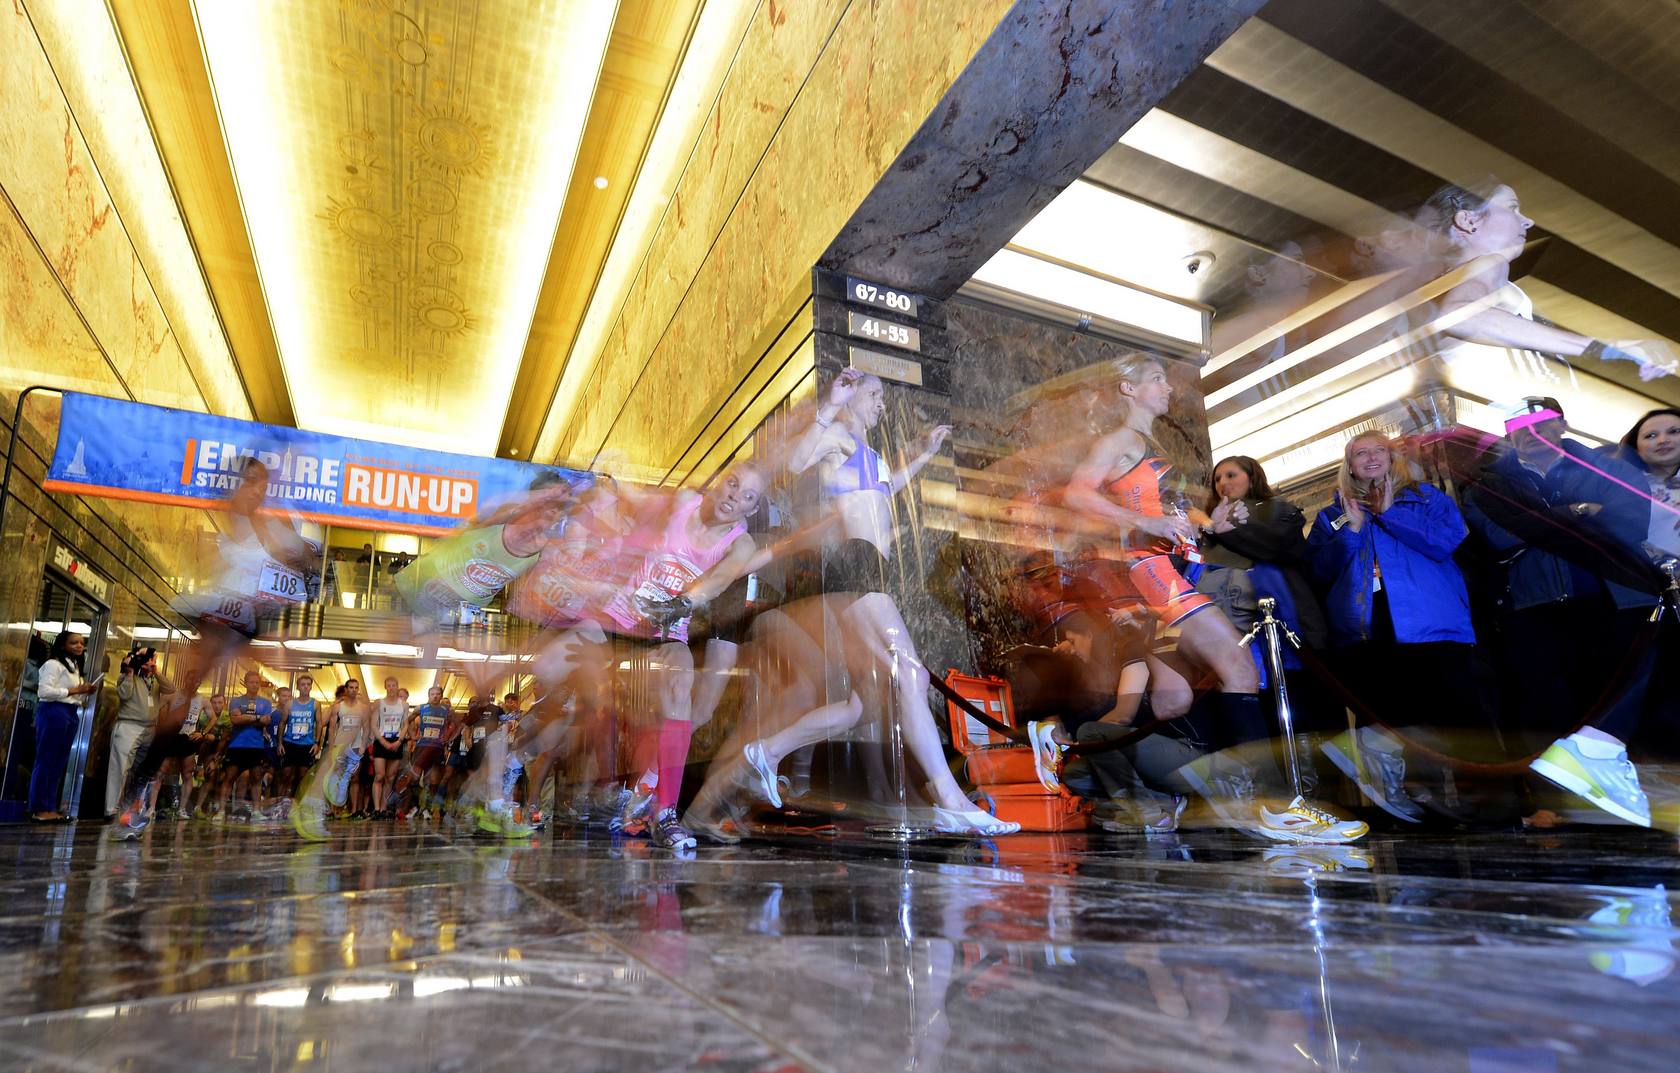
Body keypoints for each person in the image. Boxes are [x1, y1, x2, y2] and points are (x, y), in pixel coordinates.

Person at [1064, 355, 1363, 843]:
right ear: (1127, 389)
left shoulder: (1148, 444)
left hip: (1163, 570)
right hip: (1151, 575)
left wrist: (1207, 530)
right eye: (1156, 380)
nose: (1167, 388)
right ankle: (1267, 809)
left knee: (1173, 699)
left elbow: (1164, 514)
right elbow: (1077, 495)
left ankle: (1066, 746)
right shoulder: (1119, 439)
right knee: (1241, 670)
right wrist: (1150, 524)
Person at [738, 370, 1019, 838]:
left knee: (861, 705)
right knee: (907, 672)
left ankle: (766, 751)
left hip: (867, 571)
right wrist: (830, 404)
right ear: (850, 396)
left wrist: (922, 454)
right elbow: (796, 460)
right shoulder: (837, 437)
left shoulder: (869, 454)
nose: (881, 404)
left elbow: (887, 485)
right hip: (856, 564)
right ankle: (949, 798)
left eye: (882, 398)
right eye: (874, 395)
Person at [1308, 432, 1496, 823]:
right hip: (1366, 630)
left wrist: (1391, 511)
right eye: (1361, 453)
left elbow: (1445, 541)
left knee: (1457, 715)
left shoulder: (1426, 498)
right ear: (1349, 464)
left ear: (1393, 459)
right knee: (1389, 720)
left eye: (1380, 451)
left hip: (1432, 626)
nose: (1371, 458)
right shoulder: (1333, 513)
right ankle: (1408, 806)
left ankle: (1485, 807)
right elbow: (1318, 570)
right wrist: (1353, 529)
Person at [1525, 408, 1680, 825]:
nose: (1662, 440)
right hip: (1647, 595)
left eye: (1673, 431)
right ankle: (1598, 745)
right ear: (1637, 444)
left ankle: (1600, 746)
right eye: (1651, 435)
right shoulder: (1621, 481)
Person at [30, 631, 98, 822]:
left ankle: (50, 806)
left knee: (59, 762)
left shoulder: (74, 667)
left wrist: (84, 692)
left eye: (82, 643)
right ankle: (39, 808)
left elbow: (70, 695)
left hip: (69, 712)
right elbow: (44, 691)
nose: (79, 646)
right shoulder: (53, 664)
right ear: (62, 645)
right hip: (53, 711)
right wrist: (76, 689)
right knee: (46, 760)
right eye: (74, 642)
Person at [107, 646, 172, 818]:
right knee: (121, 768)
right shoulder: (127, 676)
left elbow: (171, 689)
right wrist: (130, 672)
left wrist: (156, 672)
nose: (151, 662)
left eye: (154, 659)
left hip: (149, 729)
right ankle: (111, 809)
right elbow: (124, 694)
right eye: (147, 659)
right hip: (129, 725)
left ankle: (133, 806)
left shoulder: (155, 680)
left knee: (142, 770)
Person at [222, 671, 276, 821]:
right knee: (230, 777)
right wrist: (257, 718)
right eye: (251, 682)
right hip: (237, 744)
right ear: (245, 683)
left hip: (256, 745)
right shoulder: (236, 700)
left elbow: (266, 721)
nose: (255, 685)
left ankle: (256, 811)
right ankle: (220, 811)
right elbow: (235, 720)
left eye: (257, 682)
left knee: (256, 778)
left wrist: (245, 716)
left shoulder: (265, 702)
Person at [277, 674, 322, 800]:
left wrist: (317, 742)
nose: (306, 687)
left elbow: (319, 723)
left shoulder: (315, 704)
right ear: (298, 687)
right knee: (286, 775)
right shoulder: (290, 704)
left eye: (308, 684)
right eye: (303, 684)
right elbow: (282, 723)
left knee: (303, 777)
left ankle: (299, 804)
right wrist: (280, 743)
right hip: (290, 743)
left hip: (306, 745)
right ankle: (281, 803)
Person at [370, 676, 408, 819]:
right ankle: (377, 809)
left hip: (396, 740)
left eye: (394, 685)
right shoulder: (379, 703)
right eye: (389, 685)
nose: (391, 688)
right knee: (379, 776)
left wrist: (399, 741)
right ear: (385, 687)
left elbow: (405, 724)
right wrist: (383, 741)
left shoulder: (403, 704)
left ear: (397, 686)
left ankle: (384, 808)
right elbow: (373, 724)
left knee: (390, 778)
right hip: (381, 740)